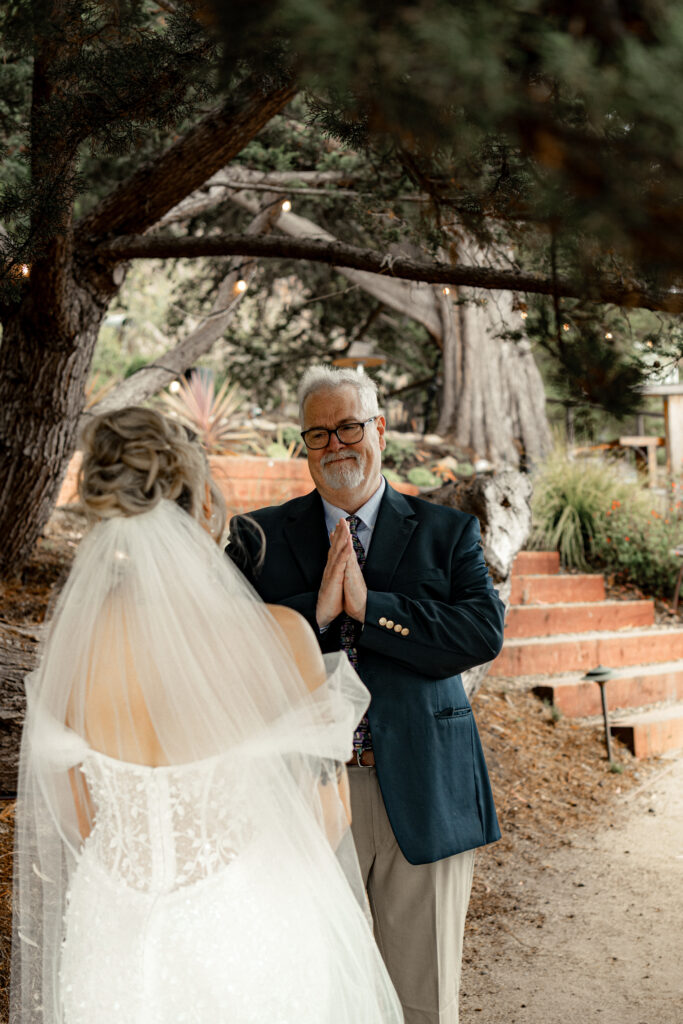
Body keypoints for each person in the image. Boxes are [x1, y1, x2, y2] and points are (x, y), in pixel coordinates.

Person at [11, 407, 403, 1024]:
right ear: (204, 509)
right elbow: (327, 819)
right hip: (245, 923)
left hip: (112, 926)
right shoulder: (279, 636)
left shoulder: (71, 651)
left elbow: (75, 817)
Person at [228, 366, 506, 1024]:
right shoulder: (255, 538)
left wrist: (371, 607)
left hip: (421, 791)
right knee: (317, 995)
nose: (335, 445)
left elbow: (479, 632)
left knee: (421, 1001)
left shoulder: (446, 532)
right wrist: (315, 614)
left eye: (349, 425)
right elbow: (226, 646)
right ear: (303, 446)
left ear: (379, 429)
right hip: (301, 797)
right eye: (317, 433)